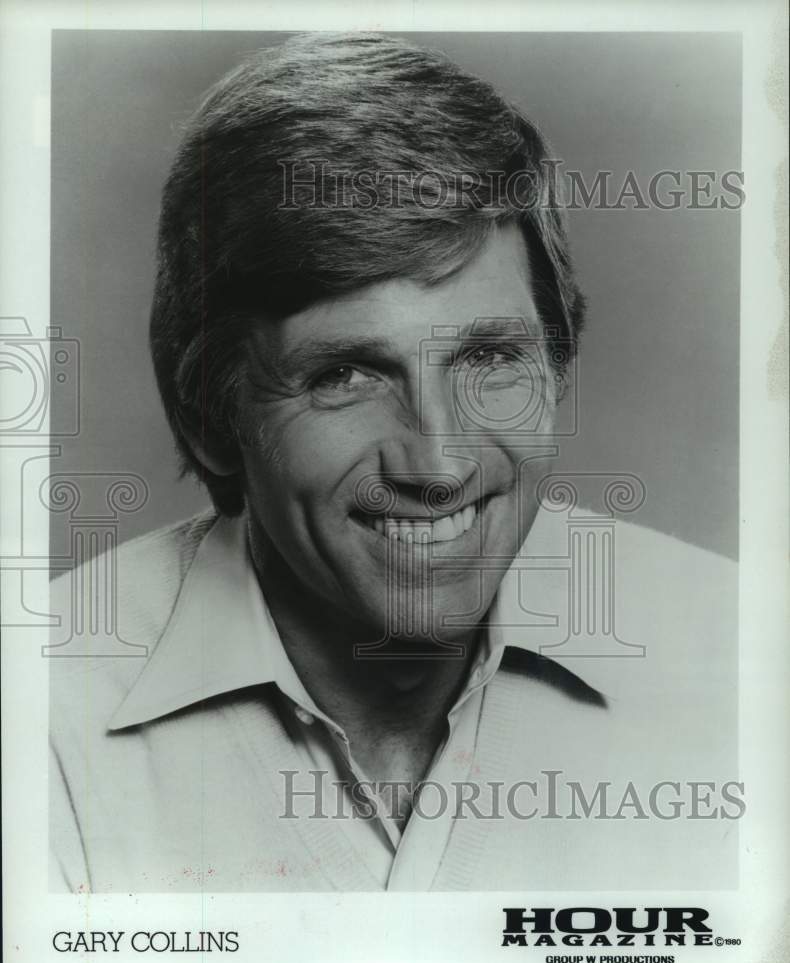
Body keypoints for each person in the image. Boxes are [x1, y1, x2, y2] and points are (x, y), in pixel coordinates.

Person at [50, 31, 738, 893]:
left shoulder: (747, 658)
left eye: (490, 359)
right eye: (344, 375)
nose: (440, 462)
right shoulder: (40, 719)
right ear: (209, 419)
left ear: (557, 370)